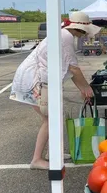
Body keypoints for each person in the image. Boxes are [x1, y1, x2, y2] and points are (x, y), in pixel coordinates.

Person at [9, 12, 99, 170]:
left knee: (55, 116)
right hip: (34, 81)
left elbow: (70, 69)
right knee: (50, 119)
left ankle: (53, 153)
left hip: (36, 79)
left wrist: (83, 87)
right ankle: (36, 159)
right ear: (80, 29)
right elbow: (73, 69)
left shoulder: (62, 33)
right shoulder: (66, 37)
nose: (84, 35)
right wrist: (86, 89)